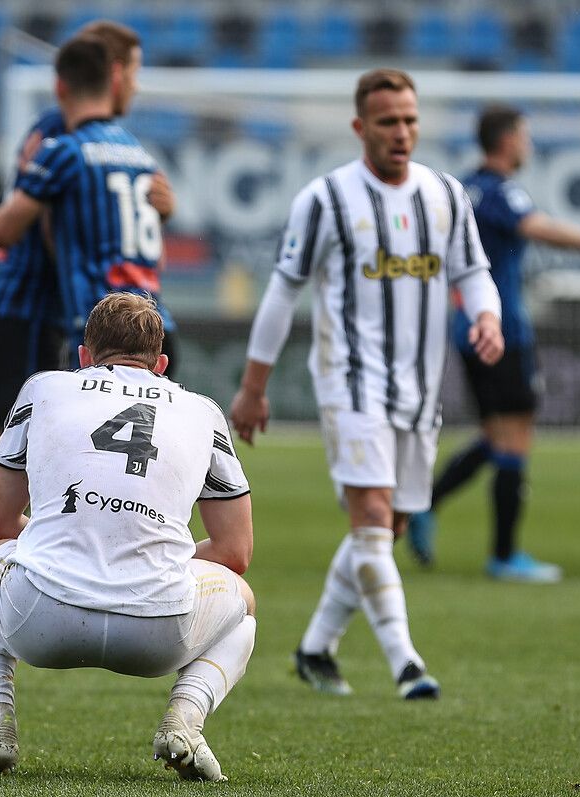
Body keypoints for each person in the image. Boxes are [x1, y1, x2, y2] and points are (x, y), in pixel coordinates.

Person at [229, 69, 504, 699]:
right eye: (387, 122)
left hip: (419, 387)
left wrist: (487, 315)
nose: (401, 132)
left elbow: (474, 273)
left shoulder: (446, 195)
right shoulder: (324, 199)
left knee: (388, 528)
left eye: (409, 120)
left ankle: (315, 647)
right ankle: (407, 663)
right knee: (373, 517)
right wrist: (253, 386)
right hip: (349, 382)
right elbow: (282, 291)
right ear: (360, 128)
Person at [0, 292, 256, 781]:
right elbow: (235, 551)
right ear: (160, 364)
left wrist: (62, 536)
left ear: (84, 357)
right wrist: (157, 553)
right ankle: (186, 721)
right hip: (158, 630)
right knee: (244, 603)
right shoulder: (204, 412)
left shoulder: (43, 389)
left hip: (40, 618)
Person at [406, 105, 580, 582]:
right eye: (524, 136)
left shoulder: (463, 189)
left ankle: (426, 504)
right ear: (505, 141)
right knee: (515, 438)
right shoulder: (499, 192)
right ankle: (503, 555)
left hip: (468, 327)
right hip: (502, 330)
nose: (529, 145)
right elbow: (542, 229)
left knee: (499, 436)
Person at [0, 20, 174, 547]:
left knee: (34, 456)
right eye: (134, 72)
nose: (136, 86)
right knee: (55, 460)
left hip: (76, 317)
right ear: (114, 74)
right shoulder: (110, 148)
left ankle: (10, 579)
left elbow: (17, 225)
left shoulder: (70, 146)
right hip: (88, 314)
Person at [0, 34, 177, 374]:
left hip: (105, 334)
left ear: (61, 87)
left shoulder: (64, 150)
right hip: (156, 328)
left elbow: (3, 231)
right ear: (114, 80)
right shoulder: (141, 154)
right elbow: (159, 257)